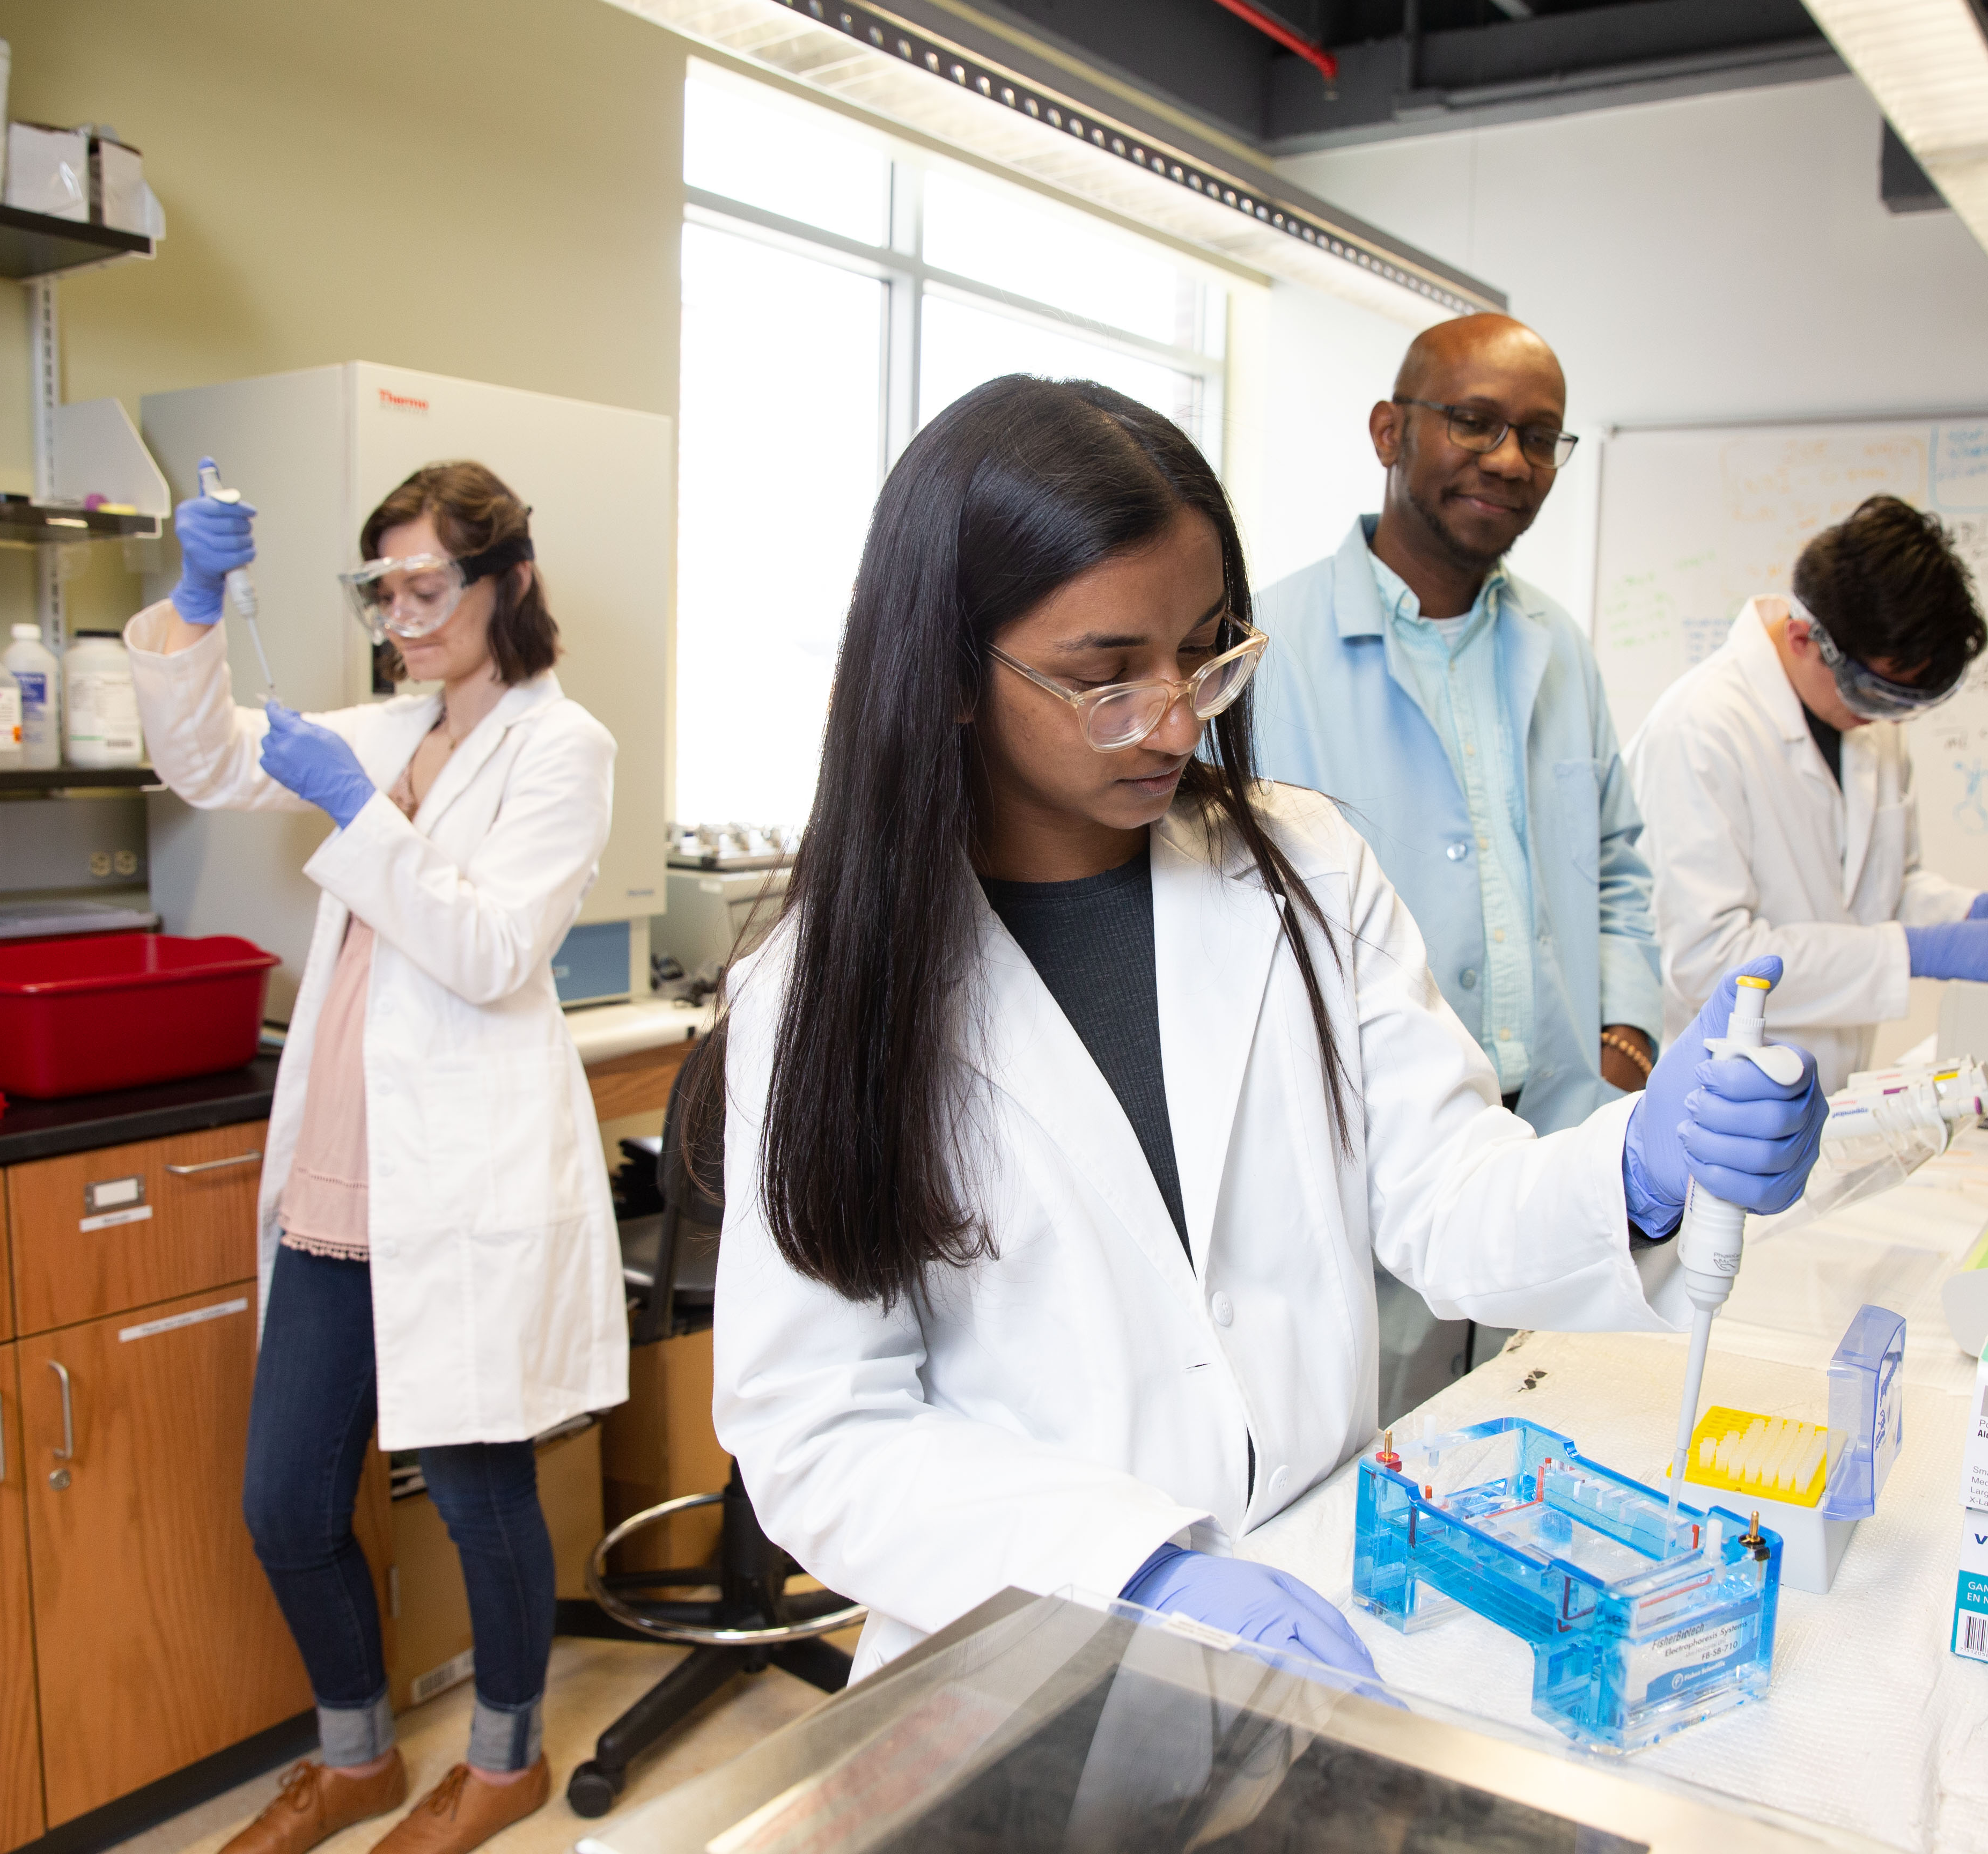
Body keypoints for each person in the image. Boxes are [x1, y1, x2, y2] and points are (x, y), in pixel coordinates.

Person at [701, 376, 1827, 1686]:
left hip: (1315, 1604)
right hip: (1013, 1652)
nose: (1178, 718)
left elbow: (1443, 1197)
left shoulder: (1302, 864)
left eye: (1205, 651)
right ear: (948, 675)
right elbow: (821, 1426)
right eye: (1103, 678)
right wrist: (1139, 1566)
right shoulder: (820, 987)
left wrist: (1639, 1165)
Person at [130, 460, 624, 1854]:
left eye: (427, 588)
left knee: (476, 1495)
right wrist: (197, 601)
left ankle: (505, 1764)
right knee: (286, 1502)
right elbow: (212, 760)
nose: (402, 617)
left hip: (455, 1179)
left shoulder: (560, 746)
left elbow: (486, 950)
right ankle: (353, 1760)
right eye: (381, 590)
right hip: (339, 1173)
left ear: (506, 583)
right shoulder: (392, 719)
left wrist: (362, 810)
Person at [1249, 313, 1660, 1414]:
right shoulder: (1265, 649)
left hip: (1557, 1127)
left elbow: (1619, 855)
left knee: (1540, 1436)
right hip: (1372, 1158)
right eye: (1476, 423)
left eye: (1541, 437)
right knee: (1368, 1464)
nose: (1513, 461)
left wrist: (1627, 1025)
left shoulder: (1557, 648)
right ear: (1391, 431)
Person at [1625, 494, 1988, 1085]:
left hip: (1830, 1092)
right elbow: (1710, 960)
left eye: (1905, 702)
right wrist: (1920, 951)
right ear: (1804, 638)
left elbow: (1881, 889)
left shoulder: (1866, 728)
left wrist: (1972, 913)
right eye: (1878, 693)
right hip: (1715, 1099)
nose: (1886, 717)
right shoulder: (1699, 729)